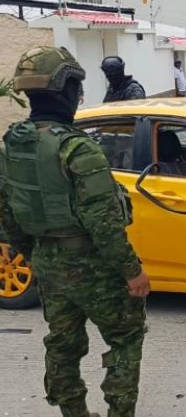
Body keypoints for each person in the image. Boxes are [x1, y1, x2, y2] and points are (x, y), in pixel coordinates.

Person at [0, 46, 149, 417]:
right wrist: (132, 271)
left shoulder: (12, 146)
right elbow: (105, 224)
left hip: (48, 263)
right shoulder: (78, 148)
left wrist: (34, 254)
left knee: (62, 345)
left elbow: (6, 213)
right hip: (94, 264)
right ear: (66, 89)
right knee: (125, 339)